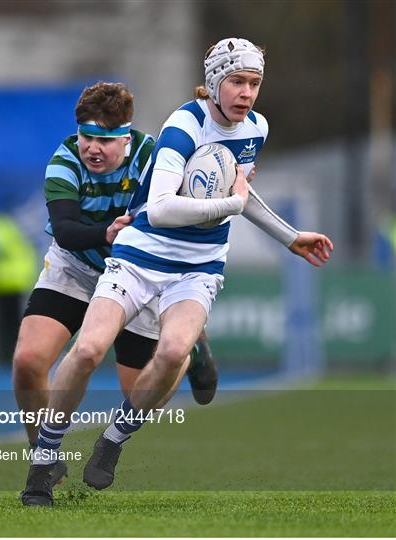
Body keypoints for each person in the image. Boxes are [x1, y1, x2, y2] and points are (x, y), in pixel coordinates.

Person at [21, 38, 333, 506]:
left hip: (199, 267)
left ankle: (112, 441)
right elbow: (164, 210)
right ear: (213, 82)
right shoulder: (185, 125)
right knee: (86, 349)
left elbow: (239, 191)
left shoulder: (256, 128)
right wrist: (233, 203)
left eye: (254, 83)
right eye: (236, 82)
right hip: (140, 255)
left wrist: (290, 236)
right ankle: (43, 461)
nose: (246, 93)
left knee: (170, 356)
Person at [14, 82, 217, 496]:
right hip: (77, 267)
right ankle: (45, 458)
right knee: (28, 359)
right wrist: (105, 232)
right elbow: (67, 230)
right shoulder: (64, 159)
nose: (93, 148)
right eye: (87, 137)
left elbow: (196, 190)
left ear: (126, 136)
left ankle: (189, 345)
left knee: (143, 393)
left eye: (105, 140)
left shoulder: (152, 155)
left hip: (136, 269)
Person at [0, 211, 37, 363]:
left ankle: (7, 354)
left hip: (7, 283)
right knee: (9, 323)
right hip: (9, 283)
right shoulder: (17, 229)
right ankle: (8, 354)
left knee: (7, 323)